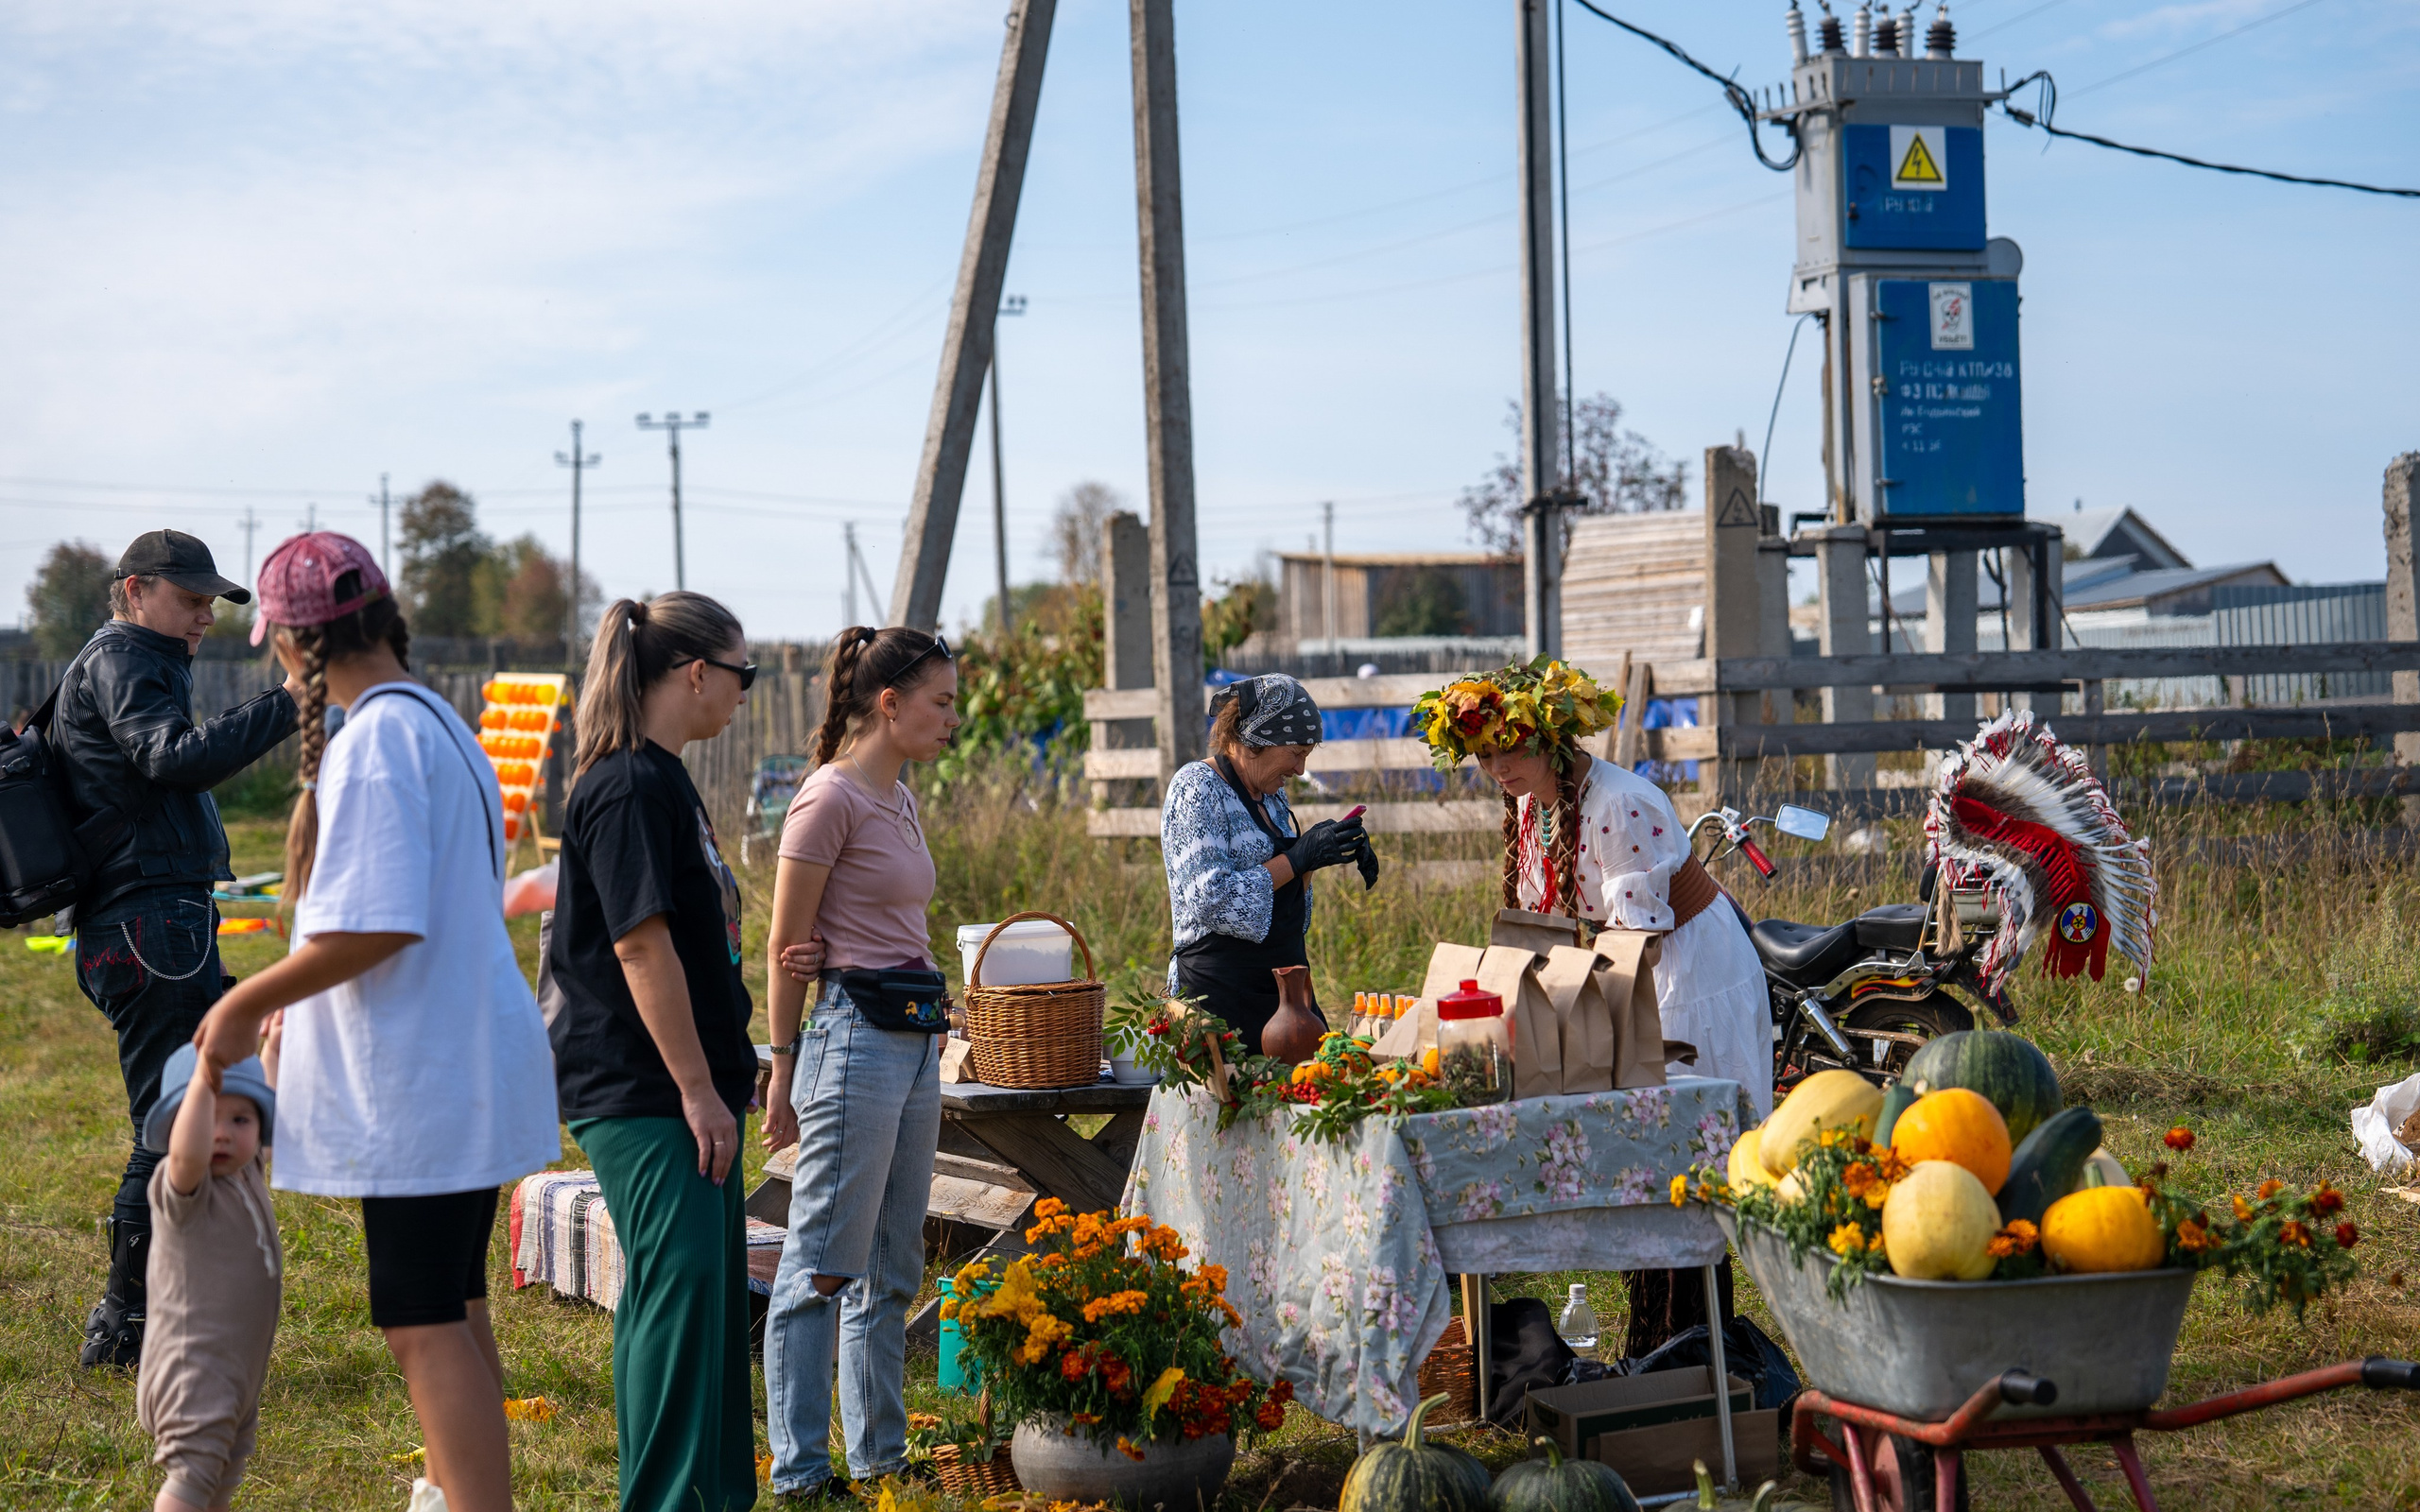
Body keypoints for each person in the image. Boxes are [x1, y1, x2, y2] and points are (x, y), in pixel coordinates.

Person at [193, 531, 560, 1512]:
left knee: (419, 1316)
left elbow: (381, 924)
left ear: (295, 646)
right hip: (457, 1064)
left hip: (427, 1079)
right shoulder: (433, 723)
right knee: (454, 1301)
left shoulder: (381, 740)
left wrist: (241, 1003)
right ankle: (452, 1491)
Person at [1416, 659, 1769, 1358]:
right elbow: (1540, 922)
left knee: (1683, 1157)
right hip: (1632, 970)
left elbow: (1637, 939)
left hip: (1688, 975)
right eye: (1483, 756)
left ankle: (1702, 1351)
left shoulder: (1620, 804)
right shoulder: (1531, 803)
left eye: (1507, 751)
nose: (1496, 770)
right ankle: (1659, 1347)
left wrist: (1575, 1022)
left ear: (1549, 742)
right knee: (1647, 1160)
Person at [58, 528, 301, 1368]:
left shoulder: (132, 656)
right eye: (190, 599)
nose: (204, 617)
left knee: (187, 1109)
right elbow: (172, 759)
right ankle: (126, 1326)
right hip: (148, 923)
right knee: (172, 1123)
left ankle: (160, 1309)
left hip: (148, 920)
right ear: (134, 590)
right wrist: (290, 701)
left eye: (212, 603)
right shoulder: (126, 658)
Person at [546, 593, 760, 1512]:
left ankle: (711, 1494)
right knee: (676, 1295)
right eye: (742, 674)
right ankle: (667, 1500)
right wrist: (696, 1088)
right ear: (694, 673)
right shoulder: (626, 784)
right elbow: (639, 944)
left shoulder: (663, 776)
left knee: (700, 1293)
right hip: (643, 1087)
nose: (746, 692)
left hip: (687, 1084)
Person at [760, 626, 959, 1501]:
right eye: (941, 702)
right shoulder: (827, 798)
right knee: (822, 1263)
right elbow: (782, 943)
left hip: (915, 1044)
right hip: (850, 1041)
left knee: (892, 1262)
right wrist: (781, 1066)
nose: (953, 718)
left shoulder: (901, 799)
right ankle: (802, 1471)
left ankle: (880, 1455)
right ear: (890, 703)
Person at [1159, 674, 1375, 1054]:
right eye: (1296, 753)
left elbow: (1292, 915)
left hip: (1285, 997)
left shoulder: (1272, 798)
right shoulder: (1196, 789)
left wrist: (1320, 853)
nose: (1300, 770)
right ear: (1257, 741)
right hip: (1218, 1000)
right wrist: (1296, 858)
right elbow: (1213, 900)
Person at [134, 1043, 281, 1512]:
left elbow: (266, 1111)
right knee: (194, 1475)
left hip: (237, 1372)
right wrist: (206, 1075)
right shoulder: (184, 1192)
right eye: (207, 1117)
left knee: (223, 1471)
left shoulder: (247, 1171)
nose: (221, 1134)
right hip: (191, 1368)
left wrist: (273, 1049)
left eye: (239, 1120)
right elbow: (192, 1152)